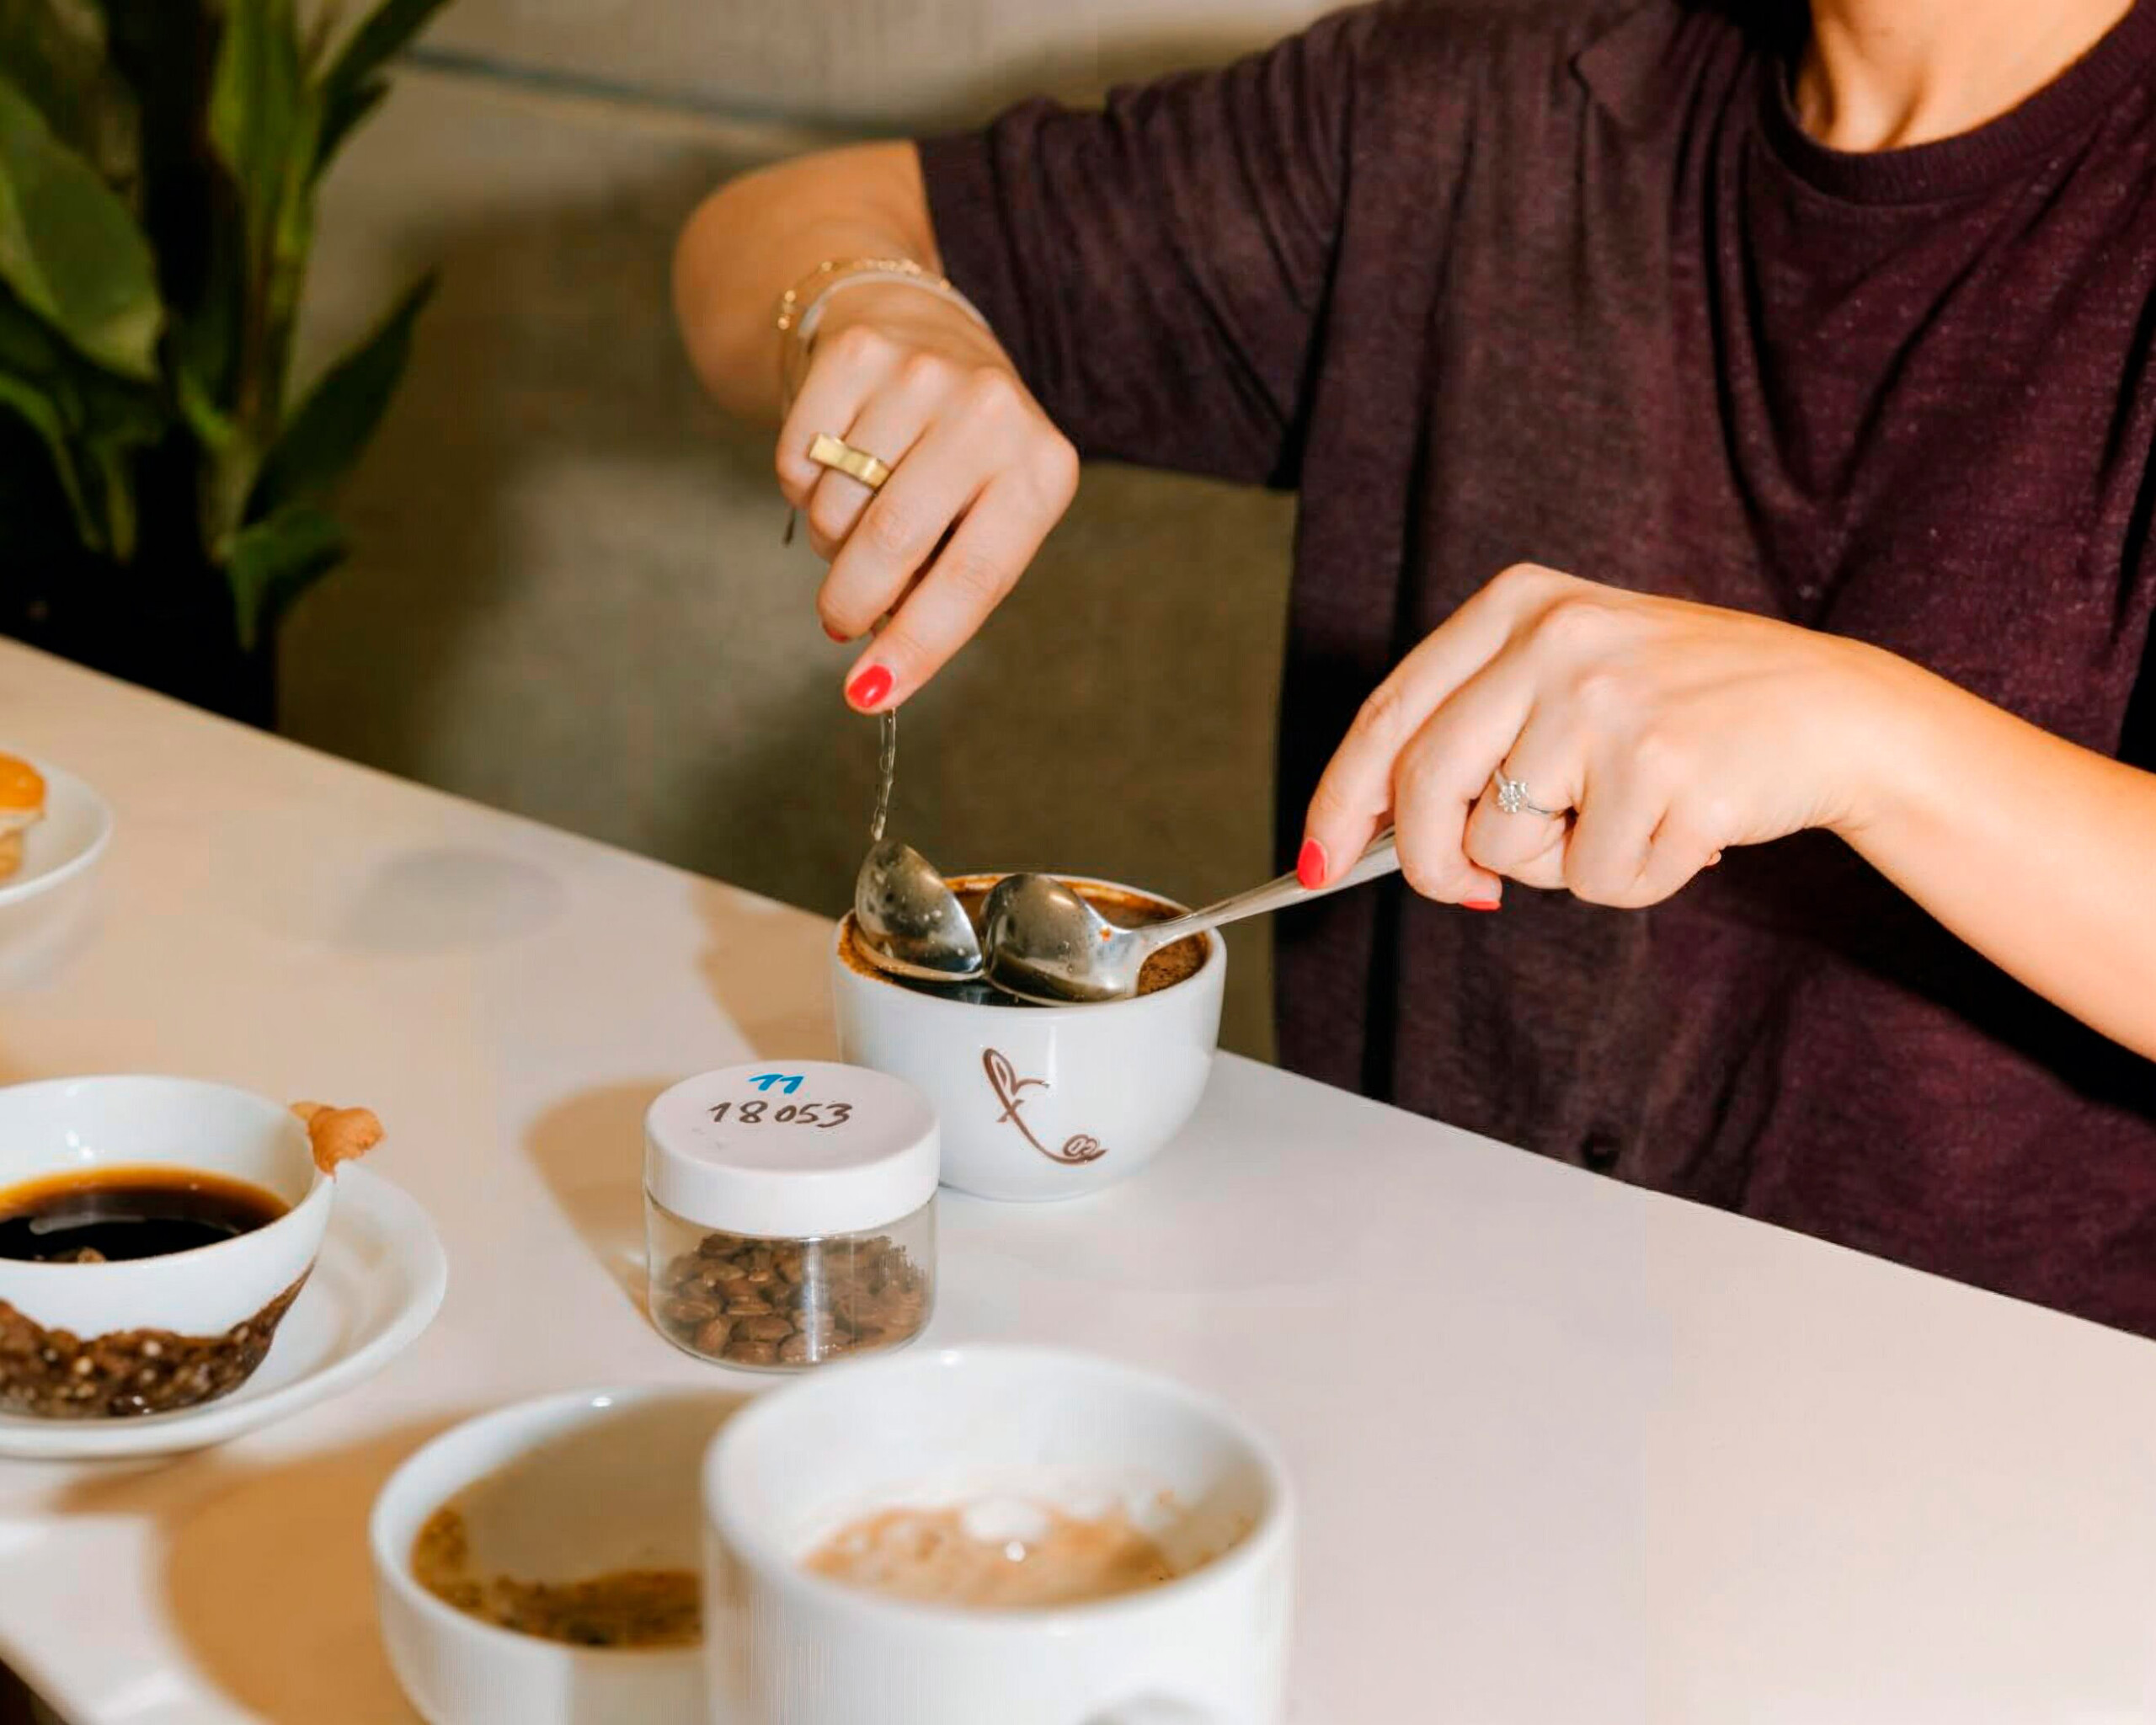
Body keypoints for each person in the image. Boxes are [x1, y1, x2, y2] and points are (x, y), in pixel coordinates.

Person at [675, 0, 2156, 1334]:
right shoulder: (1475, 95)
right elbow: (770, 230)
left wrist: (1873, 736)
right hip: (1410, 1359)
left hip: (2011, 1469)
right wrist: (876, 306)